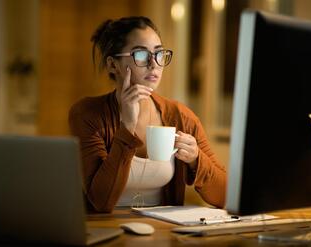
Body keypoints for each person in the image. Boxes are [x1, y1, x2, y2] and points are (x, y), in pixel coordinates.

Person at [68, 16, 226, 213]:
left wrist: (196, 159)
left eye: (159, 53)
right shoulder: (87, 113)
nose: (154, 64)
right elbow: (101, 201)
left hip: (162, 231)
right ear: (113, 65)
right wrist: (127, 127)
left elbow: (225, 196)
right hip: (105, 229)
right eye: (141, 55)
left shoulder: (181, 117)